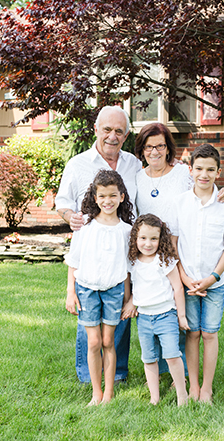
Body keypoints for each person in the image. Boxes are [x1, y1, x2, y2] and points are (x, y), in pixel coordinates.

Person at [134, 122, 224, 377]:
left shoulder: (181, 172)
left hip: (177, 253)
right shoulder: (136, 177)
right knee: (153, 308)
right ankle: (159, 370)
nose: (154, 151)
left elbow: (205, 184)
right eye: (148, 146)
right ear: (142, 149)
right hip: (149, 252)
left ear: (168, 148)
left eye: (160, 145)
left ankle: (180, 372)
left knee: (178, 315)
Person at [56, 106, 140, 383]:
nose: (112, 136)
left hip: (123, 247)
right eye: (107, 129)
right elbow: (63, 203)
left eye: (119, 131)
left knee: (119, 317)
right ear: (96, 130)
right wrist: (71, 218)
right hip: (90, 251)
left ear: (126, 135)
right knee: (89, 320)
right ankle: (87, 374)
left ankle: (117, 373)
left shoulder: (134, 164)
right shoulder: (78, 164)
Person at [167, 144, 224, 404]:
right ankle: (192, 386)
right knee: (192, 333)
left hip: (214, 282)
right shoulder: (180, 203)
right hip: (188, 281)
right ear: (190, 170)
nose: (204, 174)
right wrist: (185, 277)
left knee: (209, 333)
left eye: (210, 169)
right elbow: (174, 243)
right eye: (199, 168)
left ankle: (207, 389)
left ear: (218, 172)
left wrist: (212, 277)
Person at [64, 170, 134, 405]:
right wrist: (70, 292)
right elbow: (74, 260)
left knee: (108, 341)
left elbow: (127, 268)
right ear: (94, 197)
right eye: (102, 196)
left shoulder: (126, 230)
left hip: (114, 291)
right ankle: (96, 392)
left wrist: (128, 298)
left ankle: (109, 393)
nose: (107, 201)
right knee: (93, 342)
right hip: (86, 289)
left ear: (122, 196)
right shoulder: (84, 224)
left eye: (113, 195)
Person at [129, 214, 189, 406]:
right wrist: (131, 302)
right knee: (149, 358)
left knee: (172, 355)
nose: (148, 243)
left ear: (160, 239)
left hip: (166, 315)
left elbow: (178, 288)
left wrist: (181, 316)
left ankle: (182, 395)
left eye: (154, 239)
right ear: (135, 239)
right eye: (143, 238)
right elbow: (135, 287)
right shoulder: (133, 261)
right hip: (144, 318)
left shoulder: (164, 260)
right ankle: (154, 397)